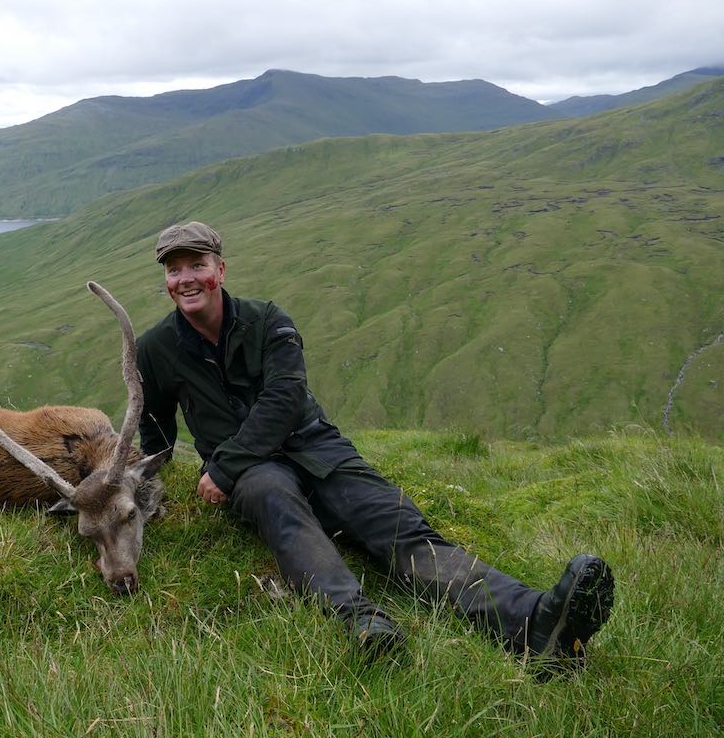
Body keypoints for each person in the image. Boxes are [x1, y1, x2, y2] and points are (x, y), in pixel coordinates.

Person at [136, 221, 615, 666]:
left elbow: (285, 399)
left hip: (315, 448)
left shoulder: (268, 321)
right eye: (174, 270)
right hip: (254, 474)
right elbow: (155, 425)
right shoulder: (156, 348)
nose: (185, 279)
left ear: (220, 269)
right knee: (276, 503)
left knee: (394, 523)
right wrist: (155, 486)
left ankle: (536, 622)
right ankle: (360, 618)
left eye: (196, 265)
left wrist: (221, 469)